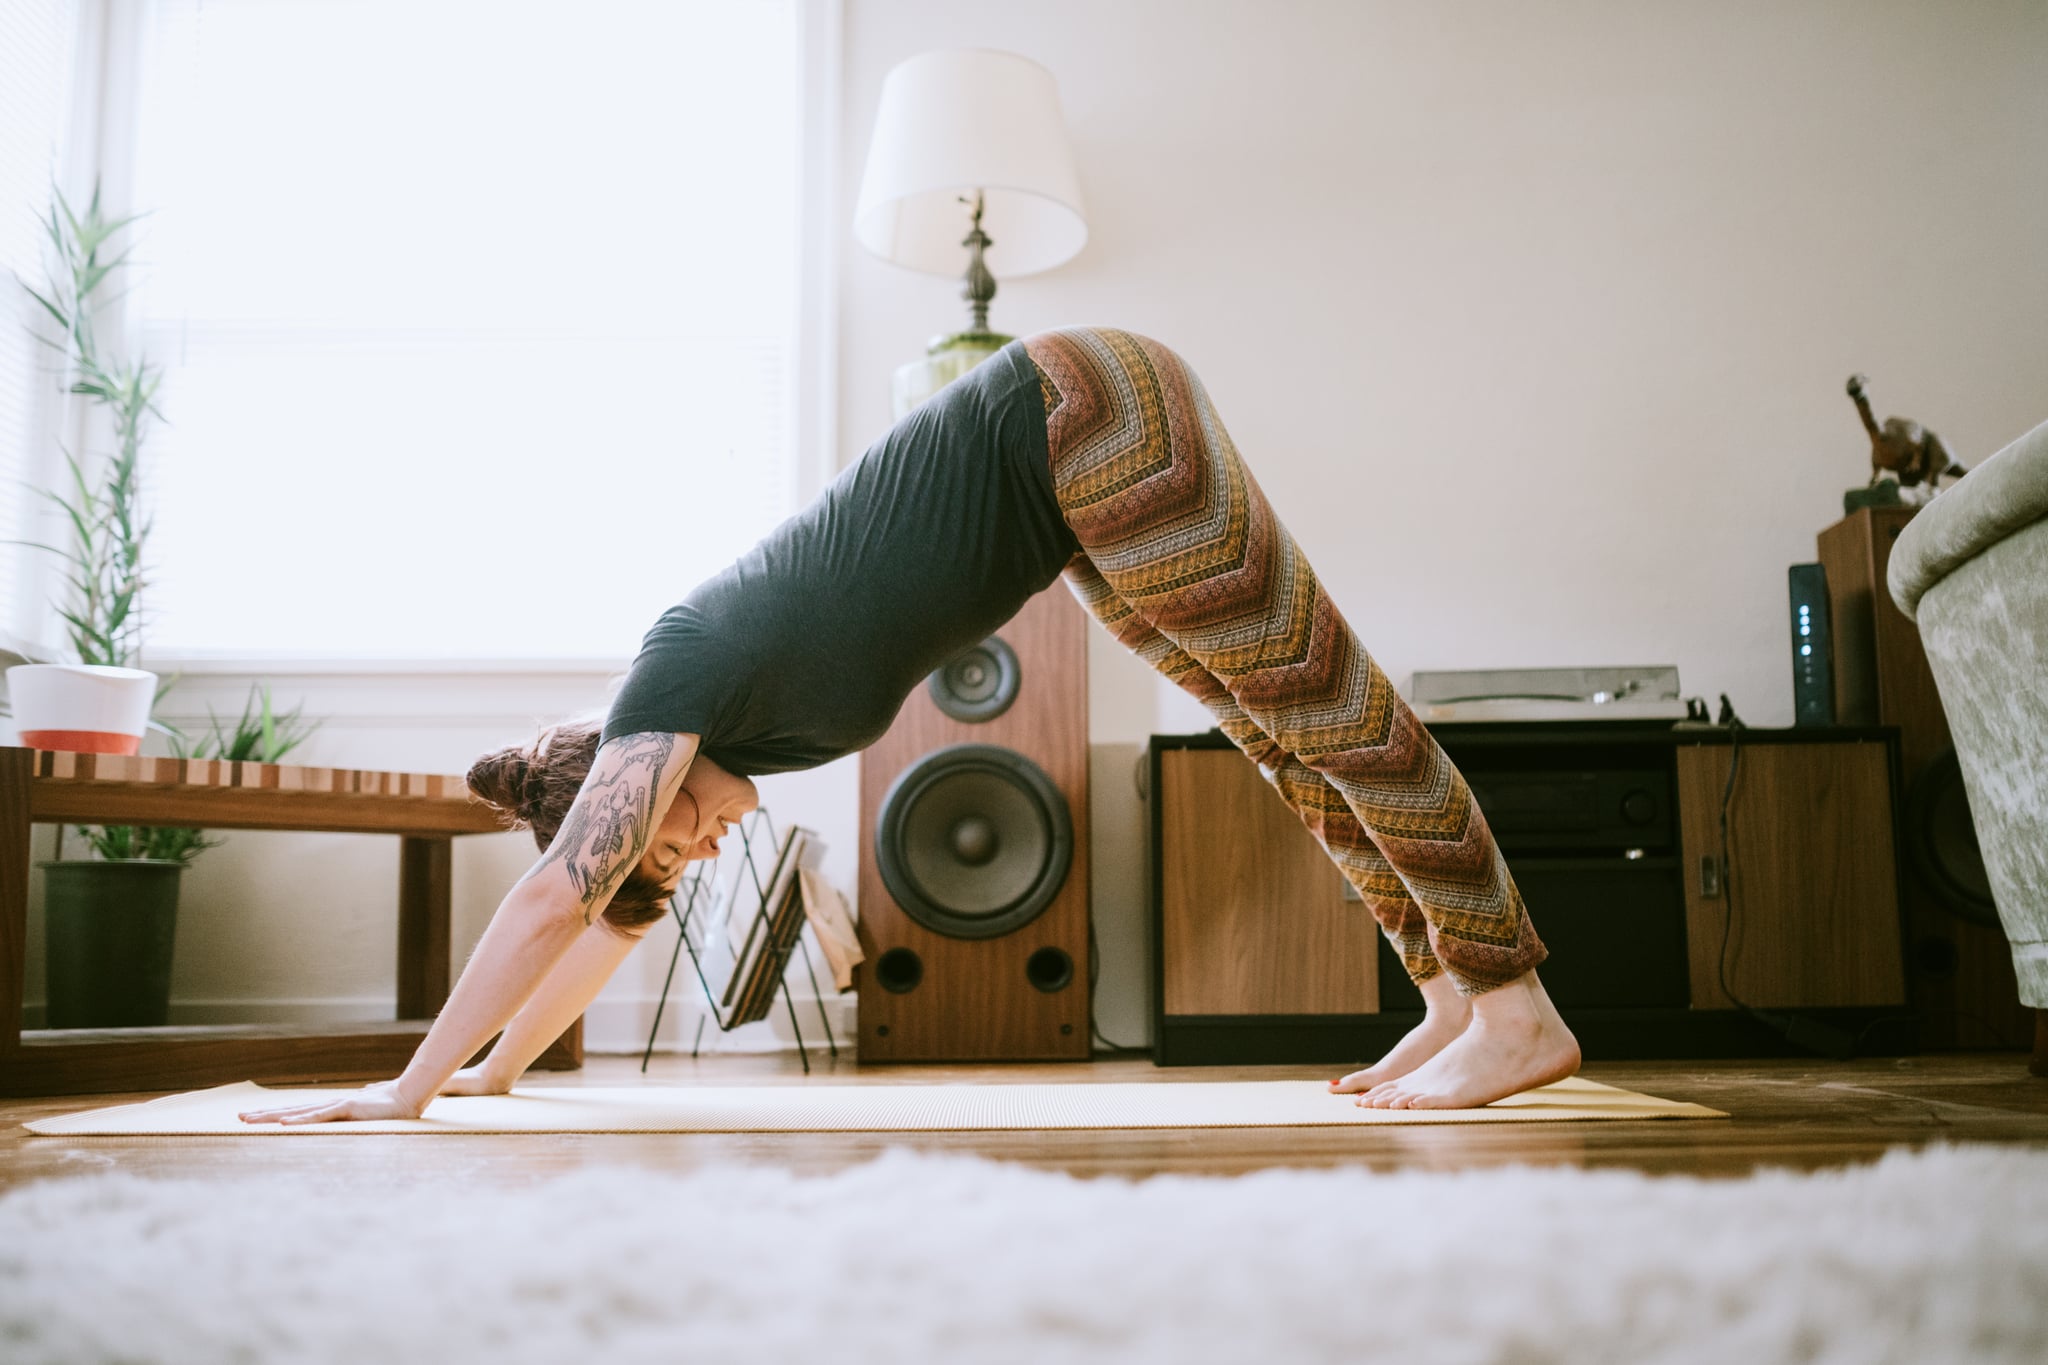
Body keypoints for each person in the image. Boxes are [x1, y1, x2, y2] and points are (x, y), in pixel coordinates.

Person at [238, 326, 1579, 1126]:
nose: (692, 850)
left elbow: (556, 895)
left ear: (629, 779)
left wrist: (405, 1084)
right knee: (1276, 731)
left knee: (1326, 701)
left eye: (668, 833)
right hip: (1066, 493)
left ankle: (1517, 1002)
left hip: (1082, 412)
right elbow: (600, 930)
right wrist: (493, 1077)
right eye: (680, 858)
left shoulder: (676, 665)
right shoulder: (732, 741)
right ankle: (1451, 988)